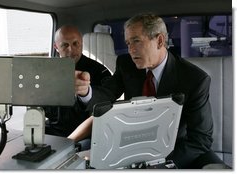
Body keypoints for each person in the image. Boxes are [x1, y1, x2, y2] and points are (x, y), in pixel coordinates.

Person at [74, 13, 227, 168]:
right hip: (130, 141)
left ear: (159, 41)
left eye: (136, 41)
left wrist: (160, 165)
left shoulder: (194, 79)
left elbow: (200, 139)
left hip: (175, 149)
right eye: (127, 43)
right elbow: (107, 94)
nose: (131, 50)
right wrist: (86, 92)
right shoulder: (126, 64)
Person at [44, 25, 111, 146]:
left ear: (81, 43)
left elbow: (106, 104)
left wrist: (86, 93)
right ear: (56, 47)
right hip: (52, 132)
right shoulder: (47, 72)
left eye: (75, 44)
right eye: (64, 45)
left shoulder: (99, 71)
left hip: (85, 136)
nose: (70, 50)